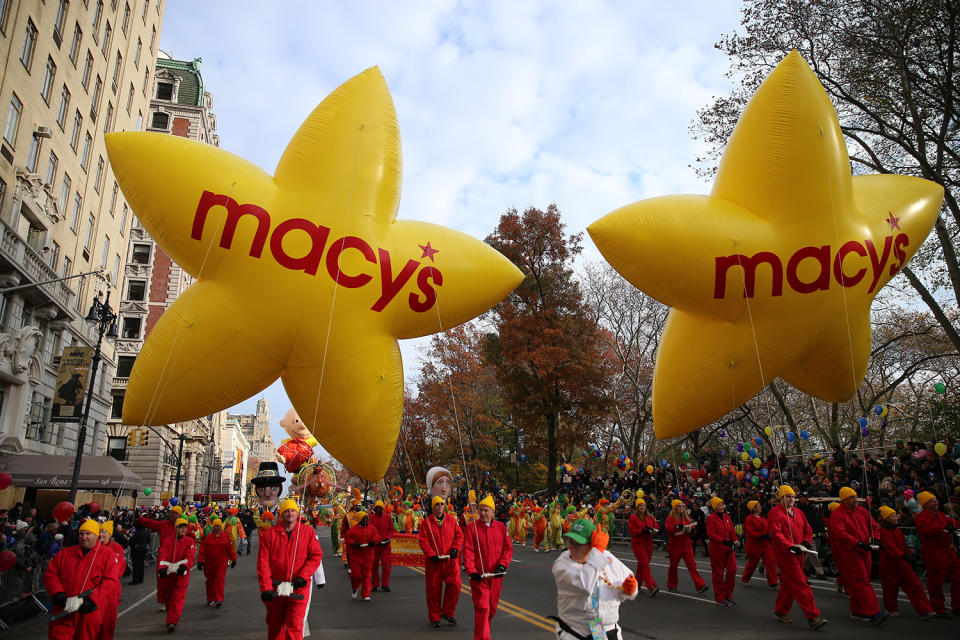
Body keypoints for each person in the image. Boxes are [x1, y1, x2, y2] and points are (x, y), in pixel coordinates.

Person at [551, 518, 637, 639]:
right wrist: (597, 552)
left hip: (600, 627)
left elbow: (627, 581)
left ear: (591, 544)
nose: (572, 548)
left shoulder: (605, 557)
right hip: (575, 630)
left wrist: (629, 590)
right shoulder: (562, 564)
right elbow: (585, 585)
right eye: (570, 542)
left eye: (578, 544)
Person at [257, 499, 323, 640]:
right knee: (275, 626)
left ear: (297, 513)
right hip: (276, 589)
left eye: (293, 511)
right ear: (281, 514)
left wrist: (303, 576)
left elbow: (316, 556)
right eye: (287, 511)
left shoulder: (307, 532)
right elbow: (263, 563)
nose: (290, 514)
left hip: (298, 589)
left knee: (295, 625)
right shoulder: (270, 534)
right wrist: (266, 588)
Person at [768, 485, 826, 629]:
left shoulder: (799, 513)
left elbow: (808, 530)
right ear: (780, 499)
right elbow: (776, 534)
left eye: (793, 496)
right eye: (788, 496)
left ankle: (780, 611)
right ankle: (813, 617)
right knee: (801, 584)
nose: (791, 499)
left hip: (799, 552)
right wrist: (789, 545)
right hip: (785, 555)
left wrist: (805, 542)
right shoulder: (775, 513)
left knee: (789, 584)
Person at [463, 494, 513, 640]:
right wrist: (472, 571)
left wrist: (502, 565)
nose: (483, 513)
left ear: (493, 512)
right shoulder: (472, 528)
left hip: (496, 577)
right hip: (479, 577)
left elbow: (508, 549)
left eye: (486, 510)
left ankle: (483, 630)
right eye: (481, 510)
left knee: (491, 609)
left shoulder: (501, 528)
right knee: (482, 608)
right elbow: (468, 552)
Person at [876, 506, 935, 619]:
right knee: (890, 589)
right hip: (889, 564)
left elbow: (902, 545)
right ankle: (891, 609)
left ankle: (925, 610)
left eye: (896, 515)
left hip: (902, 563)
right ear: (886, 519)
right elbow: (890, 548)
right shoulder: (882, 531)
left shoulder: (897, 530)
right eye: (893, 516)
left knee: (915, 586)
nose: (896, 517)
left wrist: (909, 552)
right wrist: (904, 555)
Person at [418, 496, 463, 627]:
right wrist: (431, 555)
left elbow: (459, 535)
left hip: (450, 561)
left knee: (455, 585)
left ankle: (448, 612)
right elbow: (423, 541)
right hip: (434, 562)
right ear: (433, 507)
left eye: (441, 504)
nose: (440, 506)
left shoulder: (451, 520)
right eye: (437, 504)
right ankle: (435, 617)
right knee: (433, 590)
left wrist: (455, 549)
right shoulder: (427, 523)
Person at [913, 491, 960, 618]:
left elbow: (953, 523)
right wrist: (943, 528)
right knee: (936, 582)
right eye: (932, 501)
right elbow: (927, 530)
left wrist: (952, 525)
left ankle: (957, 606)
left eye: (935, 500)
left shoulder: (941, 515)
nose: (936, 502)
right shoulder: (922, 517)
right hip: (933, 552)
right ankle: (939, 608)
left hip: (948, 550)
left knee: (958, 576)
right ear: (925, 504)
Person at [137, 505, 181, 610]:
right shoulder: (164, 525)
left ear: (178, 515)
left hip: (176, 557)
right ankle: (163, 601)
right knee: (162, 581)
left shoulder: (182, 526)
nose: (170, 514)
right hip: (164, 558)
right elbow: (151, 523)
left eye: (173, 513)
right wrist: (140, 519)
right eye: (170, 512)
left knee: (175, 581)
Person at [157, 517, 196, 633]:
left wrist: (185, 566)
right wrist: (162, 568)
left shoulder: (190, 542)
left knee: (178, 598)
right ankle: (171, 617)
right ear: (176, 528)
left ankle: (172, 621)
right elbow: (162, 555)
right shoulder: (168, 541)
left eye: (185, 527)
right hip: (168, 575)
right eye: (181, 527)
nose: (183, 529)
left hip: (181, 575)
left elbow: (190, 556)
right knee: (169, 599)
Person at [664, 500, 707, 594]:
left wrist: (692, 531)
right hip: (675, 545)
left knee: (692, 566)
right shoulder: (670, 518)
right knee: (673, 567)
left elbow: (692, 528)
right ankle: (672, 585)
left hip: (686, 545)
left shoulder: (686, 518)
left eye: (682, 506)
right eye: (679, 506)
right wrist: (676, 527)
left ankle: (700, 585)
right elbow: (668, 528)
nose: (681, 508)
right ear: (675, 508)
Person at [706, 496, 738, 606]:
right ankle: (720, 596)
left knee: (732, 570)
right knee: (718, 574)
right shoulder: (711, 518)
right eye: (719, 505)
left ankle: (728, 594)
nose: (722, 506)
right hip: (717, 550)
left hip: (728, 549)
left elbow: (732, 531)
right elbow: (711, 534)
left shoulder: (727, 517)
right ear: (715, 507)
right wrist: (723, 541)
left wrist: (735, 540)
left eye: (722, 504)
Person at [198, 518, 236, 608]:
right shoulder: (208, 538)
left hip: (221, 562)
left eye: (218, 526)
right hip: (209, 563)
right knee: (210, 581)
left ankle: (219, 599)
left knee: (219, 580)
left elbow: (230, 549)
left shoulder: (225, 537)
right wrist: (200, 561)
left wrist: (233, 559)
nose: (217, 528)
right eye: (215, 526)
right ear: (213, 527)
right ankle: (211, 599)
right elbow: (202, 551)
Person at [344, 511, 380, 601]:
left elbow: (377, 536)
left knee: (367, 576)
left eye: (367, 519)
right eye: (365, 519)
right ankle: (354, 588)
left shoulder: (372, 528)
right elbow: (347, 539)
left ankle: (366, 594)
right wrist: (354, 543)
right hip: (356, 556)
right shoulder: (353, 530)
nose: (367, 521)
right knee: (356, 575)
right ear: (360, 520)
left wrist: (373, 542)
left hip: (368, 555)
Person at [741, 500, 777, 589]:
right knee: (752, 563)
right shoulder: (749, 519)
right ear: (754, 508)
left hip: (765, 544)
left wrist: (770, 535)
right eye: (758, 505)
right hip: (754, 545)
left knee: (771, 562)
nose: (760, 507)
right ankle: (746, 578)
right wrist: (760, 535)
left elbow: (769, 528)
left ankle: (773, 583)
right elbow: (749, 531)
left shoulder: (763, 519)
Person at [98, 521, 125, 640]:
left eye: (104, 532)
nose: (101, 534)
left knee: (108, 620)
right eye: (99, 531)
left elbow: (119, 567)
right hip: (95, 588)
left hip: (111, 588)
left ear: (110, 534)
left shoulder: (117, 548)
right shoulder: (95, 547)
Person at [626, 498, 659, 596]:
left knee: (642, 566)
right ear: (637, 507)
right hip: (638, 543)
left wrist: (657, 531)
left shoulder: (650, 517)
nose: (642, 507)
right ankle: (651, 586)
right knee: (645, 565)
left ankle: (637, 587)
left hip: (648, 543)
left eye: (643, 505)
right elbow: (631, 530)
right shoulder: (633, 517)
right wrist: (642, 531)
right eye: (640, 505)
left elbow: (656, 526)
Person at [368, 500, 394, 592]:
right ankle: (375, 584)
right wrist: (374, 540)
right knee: (374, 565)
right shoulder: (371, 518)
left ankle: (385, 584)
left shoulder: (387, 517)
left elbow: (391, 530)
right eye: (377, 507)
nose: (378, 509)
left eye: (380, 508)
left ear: (382, 508)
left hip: (385, 545)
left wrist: (388, 538)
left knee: (386, 565)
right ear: (375, 508)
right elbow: (369, 530)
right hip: (375, 545)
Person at [129, 519, 151, 585]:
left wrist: (131, 543)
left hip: (137, 549)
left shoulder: (137, 532)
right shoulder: (146, 531)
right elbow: (149, 540)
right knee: (141, 564)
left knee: (136, 565)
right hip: (144, 549)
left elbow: (132, 542)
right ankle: (141, 579)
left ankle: (136, 579)